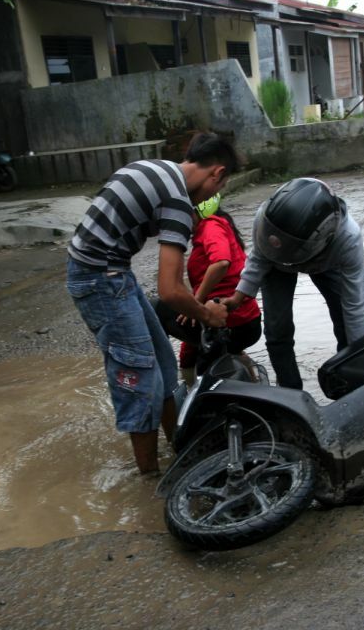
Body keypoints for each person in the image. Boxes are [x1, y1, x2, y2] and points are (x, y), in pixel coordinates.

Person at [66, 132, 237, 474]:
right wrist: (208, 314)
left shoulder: (155, 167)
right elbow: (170, 291)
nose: (211, 198)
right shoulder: (177, 201)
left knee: (163, 366)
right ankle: (149, 479)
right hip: (101, 279)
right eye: (217, 190)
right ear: (216, 173)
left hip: (110, 271)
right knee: (139, 375)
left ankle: (181, 452)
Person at [221, 178, 364, 390]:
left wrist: (363, 357)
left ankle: (347, 382)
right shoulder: (265, 221)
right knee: (277, 330)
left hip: (325, 264)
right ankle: (291, 393)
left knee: (346, 325)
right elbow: (260, 256)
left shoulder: (347, 239)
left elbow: (356, 306)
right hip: (275, 267)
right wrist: (239, 295)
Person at [174, 194, 261, 386]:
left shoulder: (210, 226)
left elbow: (221, 262)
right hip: (242, 318)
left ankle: (193, 396)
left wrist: (196, 301)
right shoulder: (218, 224)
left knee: (160, 311)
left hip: (230, 319)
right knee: (194, 349)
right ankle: (251, 380)